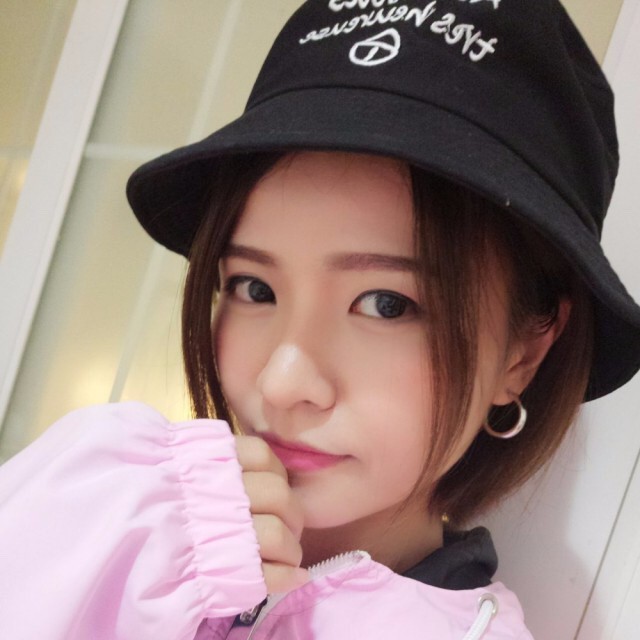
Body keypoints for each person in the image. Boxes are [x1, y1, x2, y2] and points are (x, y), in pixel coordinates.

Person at [1, 0, 640, 638]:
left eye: (387, 304)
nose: (281, 383)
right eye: (253, 287)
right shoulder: (121, 527)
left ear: (523, 354)